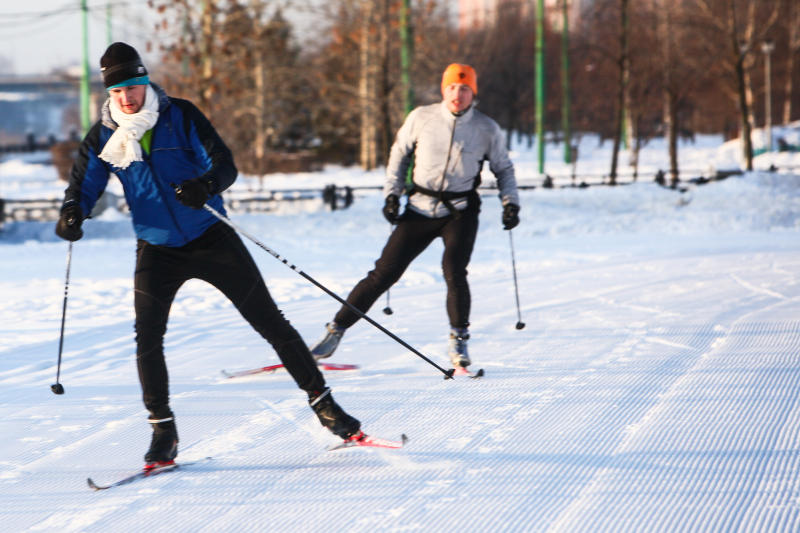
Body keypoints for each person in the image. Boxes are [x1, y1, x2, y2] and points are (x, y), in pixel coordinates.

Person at [55, 42, 360, 469]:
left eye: (133, 85)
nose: (127, 97)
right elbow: (83, 186)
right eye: (118, 90)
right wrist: (73, 212)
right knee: (148, 339)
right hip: (157, 246)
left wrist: (206, 185)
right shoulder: (103, 136)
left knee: (271, 322)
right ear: (110, 94)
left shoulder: (180, 114)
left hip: (212, 235)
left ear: (144, 81)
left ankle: (328, 408)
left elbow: (225, 164)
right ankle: (163, 432)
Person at [311, 63, 520, 369]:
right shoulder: (422, 118)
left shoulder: (486, 128)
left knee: (454, 270)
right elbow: (399, 154)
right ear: (443, 89)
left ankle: (458, 343)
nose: (457, 95)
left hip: (460, 211)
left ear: (473, 93)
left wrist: (510, 203)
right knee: (384, 273)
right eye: (451, 88)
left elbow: (503, 168)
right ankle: (334, 332)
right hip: (420, 207)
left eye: (464, 89)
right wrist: (392, 194)